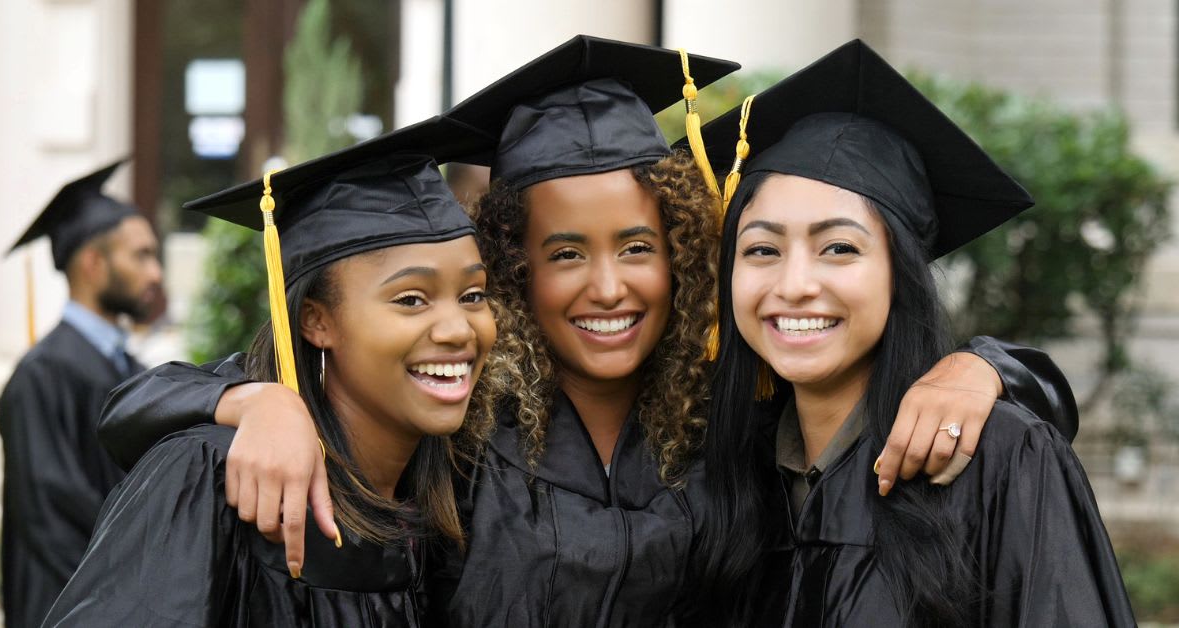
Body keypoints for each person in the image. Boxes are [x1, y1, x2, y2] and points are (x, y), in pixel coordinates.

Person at [97, 37, 1077, 627]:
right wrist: (255, 399)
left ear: (683, 251)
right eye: (564, 252)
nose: (607, 286)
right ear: (513, 265)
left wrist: (980, 368)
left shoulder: (731, 419)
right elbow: (156, 403)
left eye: (638, 247)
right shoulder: (457, 428)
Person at [693, 40, 1134, 626]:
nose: (795, 285)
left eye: (839, 248)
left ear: (900, 274)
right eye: (762, 249)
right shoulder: (722, 475)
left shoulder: (999, 462)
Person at [43, 117, 498, 626]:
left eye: (473, 295)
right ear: (316, 321)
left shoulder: (451, 493)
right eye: (410, 299)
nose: (457, 329)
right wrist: (257, 399)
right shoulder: (215, 479)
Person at [0, 159, 162, 628]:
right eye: (141, 256)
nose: (156, 273)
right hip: (69, 611)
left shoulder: (132, 371)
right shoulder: (41, 376)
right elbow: (53, 522)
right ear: (94, 264)